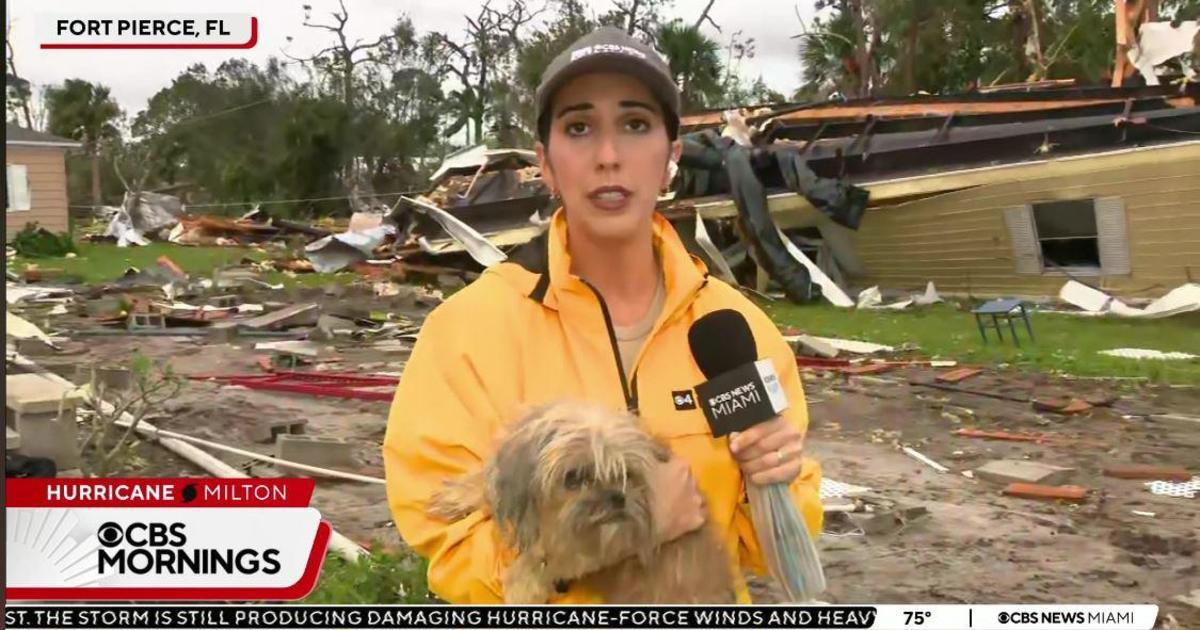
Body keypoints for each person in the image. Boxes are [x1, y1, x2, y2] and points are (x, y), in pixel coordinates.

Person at [383, 25, 823, 604]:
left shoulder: (736, 331)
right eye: (580, 128)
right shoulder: (468, 333)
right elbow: (452, 544)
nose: (609, 157)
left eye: (636, 125)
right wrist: (618, 537)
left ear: (670, 157)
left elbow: (763, 549)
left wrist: (778, 484)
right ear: (545, 160)